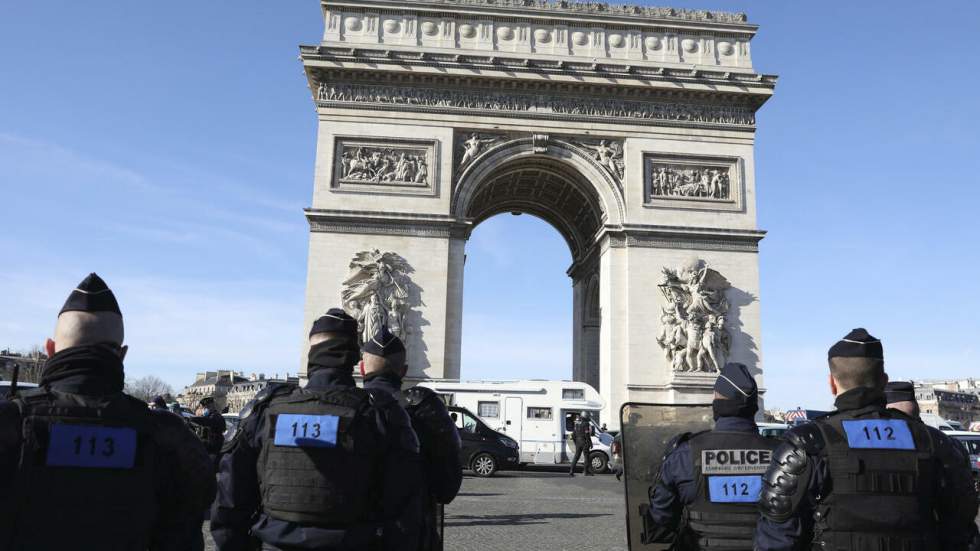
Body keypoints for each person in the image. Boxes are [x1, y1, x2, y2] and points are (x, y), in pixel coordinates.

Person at [0, 273, 215, 550]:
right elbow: (189, 520)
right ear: (122, 354)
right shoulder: (167, 436)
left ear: (50, 349)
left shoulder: (10, 424)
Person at [211, 308, 423, 551]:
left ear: (312, 351)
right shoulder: (381, 414)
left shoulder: (265, 411)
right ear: (354, 356)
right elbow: (404, 513)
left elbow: (229, 503)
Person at [756, 328, 979, 550]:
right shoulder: (936, 443)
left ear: (832, 383)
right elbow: (962, 530)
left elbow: (777, 536)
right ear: (884, 381)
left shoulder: (808, 443)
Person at [644, 362, 777, 550]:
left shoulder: (685, 454)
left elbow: (661, 518)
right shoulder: (781, 455)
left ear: (717, 402)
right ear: (754, 406)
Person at [362, 326, 463, 551]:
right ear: (404, 370)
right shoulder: (423, 409)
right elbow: (447, 488)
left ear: (361, 368)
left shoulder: (338, 409)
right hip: (410, 535)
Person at [189, 395, 226, 465]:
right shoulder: (206, 416)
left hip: (213, 450)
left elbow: (208, 421)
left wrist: (192, 419)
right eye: (204, 408)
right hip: (205, 449)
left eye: (207, 407)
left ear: (212, 406)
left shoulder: (217, 416)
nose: (204, 409)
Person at [569, 410, 594, 476]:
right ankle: (585, 471)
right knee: (586, 457)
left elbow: (573, 435)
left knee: (576, 457)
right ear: (585, 416)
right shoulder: (586, 424)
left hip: (578, 441)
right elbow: (587, 434)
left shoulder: (577, 424)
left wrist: (576, 442)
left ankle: (571, 470)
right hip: (584, 441)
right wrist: (590, 443)